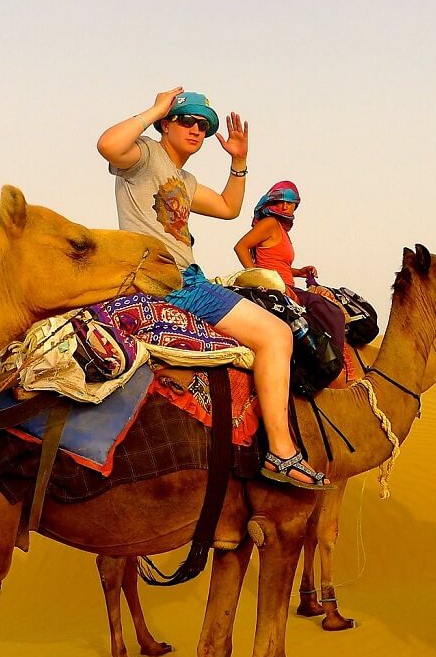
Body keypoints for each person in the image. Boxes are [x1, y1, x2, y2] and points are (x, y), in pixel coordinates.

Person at [96, 89, 331, 489]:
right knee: (276, 334)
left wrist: (238, 162)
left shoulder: (185, 180)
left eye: (202, 125)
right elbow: (107, 145)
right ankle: (282, 451)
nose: (196, 129)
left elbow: (227, 207)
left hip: (187, 277)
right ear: (166, 125)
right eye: (186, 120)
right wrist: (156, 108)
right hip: (169, 281)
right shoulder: (144, 156)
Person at [233, 181, 319, 289]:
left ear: (295, 206)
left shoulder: (281, 229)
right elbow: (241, 247)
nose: (284, 207)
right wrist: (257, 279)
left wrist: (299, 272)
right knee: (322, 302)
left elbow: (277, 268)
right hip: (276, 289)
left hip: (287, 287)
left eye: (289, 203)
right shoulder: (271, 223)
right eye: (281, 202)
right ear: (273, 202)